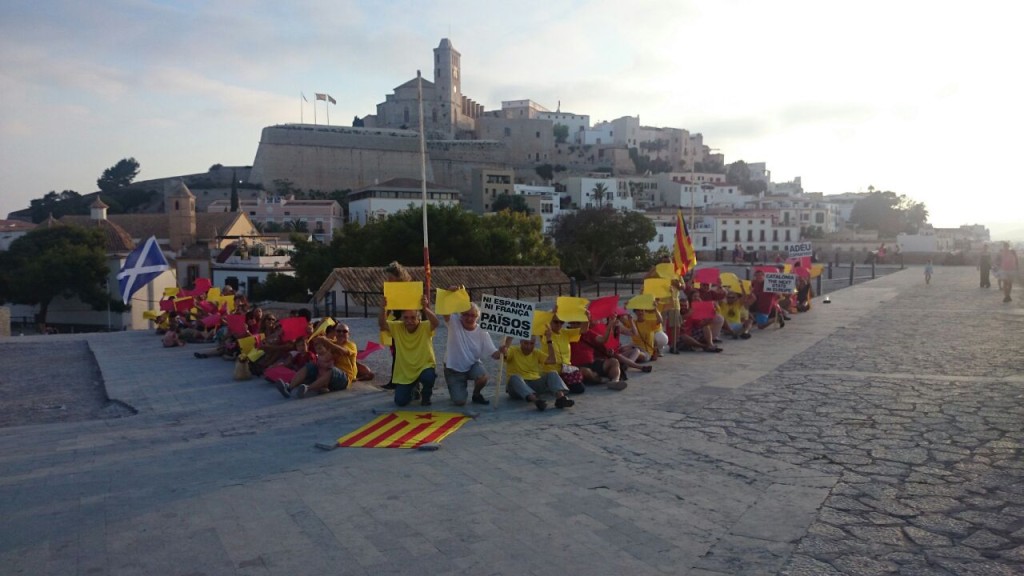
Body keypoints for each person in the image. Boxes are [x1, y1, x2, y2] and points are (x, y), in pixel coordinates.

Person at [378, 294, 439, 406]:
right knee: (400, 402)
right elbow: (382, 325)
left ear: (419, 318)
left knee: (429, 376)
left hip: (423, 367)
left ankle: (426, 395)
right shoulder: (397, 327)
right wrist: (383, 308)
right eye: (405, 318)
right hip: (405, 372)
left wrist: (425, 308)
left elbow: (436, 323)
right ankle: (414, 391)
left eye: (413, 318)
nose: (409, 321)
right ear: (401, 318)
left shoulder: (425, 326)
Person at [275, 323, 356, 398]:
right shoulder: (331, 343)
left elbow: (343, 351)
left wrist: (326, 341)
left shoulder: (351, 345)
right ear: (335, 333)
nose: (341, 333)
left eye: (344, 331)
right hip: (327, 373)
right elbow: (318, 346)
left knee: (332, 371)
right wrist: (316, 337)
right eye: (339, 331)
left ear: (348, 334)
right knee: (311, 366)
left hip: (344, 378)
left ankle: (307, 389)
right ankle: (289, 388)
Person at [443, 303, 500, 406]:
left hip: (471, 365)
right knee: (460, 402)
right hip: (453, 369)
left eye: (473, 315)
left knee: (483, 376)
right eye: (466, 314)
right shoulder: (454, 322)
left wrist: (503, 351)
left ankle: (476, 394)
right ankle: (455, 386)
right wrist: (450, 294)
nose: (469, 318)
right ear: (461, 315)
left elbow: (494, 353)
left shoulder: (482, 332)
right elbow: (445, 310)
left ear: (477, 317)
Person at [502, 330, 574, 410]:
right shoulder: (513, 350)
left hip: (534, 383)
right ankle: (536, 401)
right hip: (516, 388)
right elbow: (504, 353)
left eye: (531, 344)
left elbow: (552, 360)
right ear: (521, 342)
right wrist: (510, 336)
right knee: (514, 377)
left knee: (552, 373)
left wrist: (549, 341)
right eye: (526, 343)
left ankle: (561, 398)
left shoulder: (536, 352)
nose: (528, 346)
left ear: (534, 343)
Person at [569, 312, 626, 390]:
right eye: (573, 323)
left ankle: (614, 381)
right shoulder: (567, 335)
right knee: (585, 371)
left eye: (578, 323)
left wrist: (610, 325)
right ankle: (600, 380)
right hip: (578, 366)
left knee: (614, 361)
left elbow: (603, 339)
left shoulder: (589, 333)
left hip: (592, 363)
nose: (575, 325)